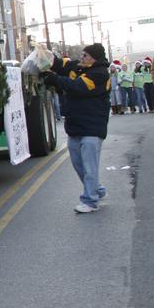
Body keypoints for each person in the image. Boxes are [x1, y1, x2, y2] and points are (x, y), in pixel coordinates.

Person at [42, 43, 111, 213]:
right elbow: (60, 64)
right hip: (75, 126)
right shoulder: (78, 67)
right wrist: (44, 56)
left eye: (86, 55)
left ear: (94, 58)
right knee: (78, 163)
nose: (82, 58)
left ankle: (90, 201)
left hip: (93, 127)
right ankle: (97, 189)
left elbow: (77, 87)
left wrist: (55, 79)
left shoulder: (100, 74)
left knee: (89, 165)